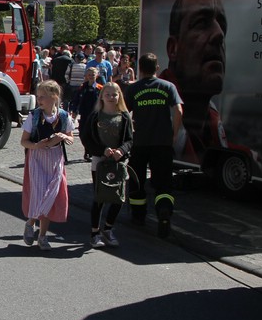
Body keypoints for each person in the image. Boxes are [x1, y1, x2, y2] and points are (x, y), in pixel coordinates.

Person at [159, 0, 227, 165]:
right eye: (201, 23)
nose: (219, 34)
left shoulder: (213, 121)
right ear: (173, 48)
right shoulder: (160, 108)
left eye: (222, 24)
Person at [124, 52, 183, 238]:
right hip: (162, 143)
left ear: (140, 68)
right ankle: (164, 211)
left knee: (137, 180)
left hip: (140, 142)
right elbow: (179, 110)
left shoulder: (134, 89)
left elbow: (125, 114)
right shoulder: (168, 87)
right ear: (157, 68)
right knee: (163, 182)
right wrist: (174, 133)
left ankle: (138, 217)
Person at [20, 80, 74, 251]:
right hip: (37, 157)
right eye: (38, 96)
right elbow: (24, 141)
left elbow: (71, 137)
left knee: (51, 195)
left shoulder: (64, 116)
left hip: (55, 158)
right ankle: (31, 223)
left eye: (42, 97)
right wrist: (37, 145)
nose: (39, 100)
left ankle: (42, 235)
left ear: (54, 97)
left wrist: (64, 138)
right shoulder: (34, 116)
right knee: (39, 194)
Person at [80, 82, 134, 248]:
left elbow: (130, 140)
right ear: (102, 96)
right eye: (108, 94)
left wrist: (121, 151)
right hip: (100, 161)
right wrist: (102, 150)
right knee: (100, 197)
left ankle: (108, 229)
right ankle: (95, 232)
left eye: (114, 94)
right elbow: (86, 138)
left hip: (118, 162)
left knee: (118, 197)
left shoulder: (124, 116)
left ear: (119, 96)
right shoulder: (95, 116)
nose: (111, 97)